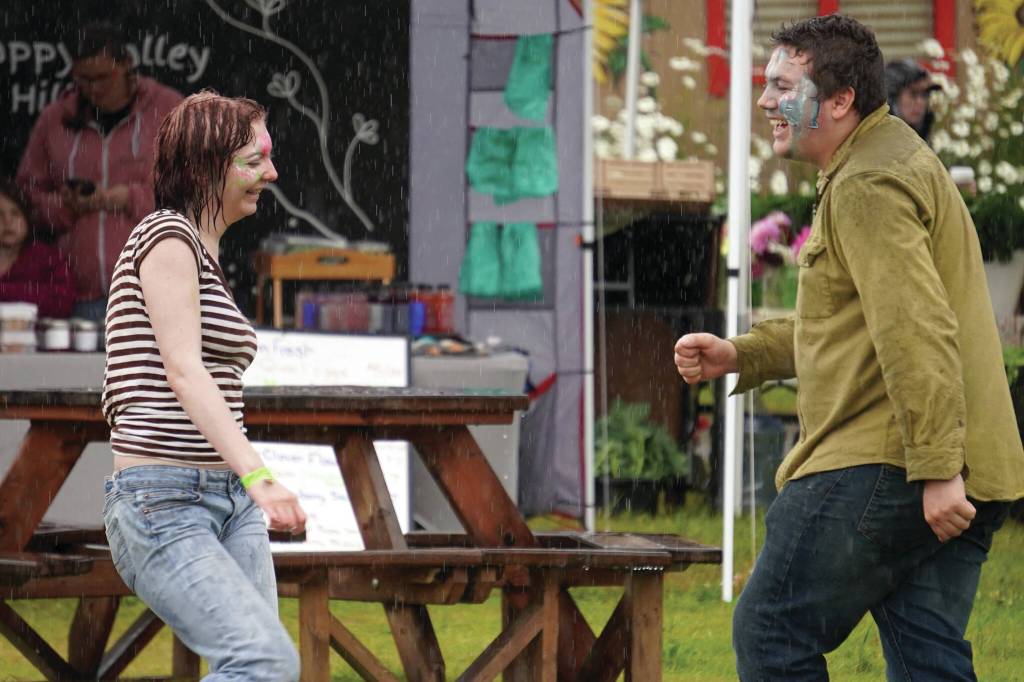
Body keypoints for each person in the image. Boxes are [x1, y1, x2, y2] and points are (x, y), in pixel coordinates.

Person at [674, 15, 1024, 681]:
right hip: (965, 461)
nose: (765, 101)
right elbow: (852, 324)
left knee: (770, 630)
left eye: (783, 86)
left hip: (899, 462)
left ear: (839, 101)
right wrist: (742, 353)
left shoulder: (868, 184)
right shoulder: (887, 159)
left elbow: (917, 330)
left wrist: (937, 469)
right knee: (927, 663)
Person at [101, 91, 304, 681]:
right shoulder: (167, 236)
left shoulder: (205, 253)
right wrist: (260, 477)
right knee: (262, 662)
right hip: (163, 500)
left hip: (230, 502)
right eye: (254, 160)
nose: (272, 172)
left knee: (268, 669)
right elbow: (185, 371)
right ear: (206, 167)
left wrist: (246, 487)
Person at [16, 21, 182, 322]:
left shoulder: (168, 109)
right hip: (74, 295)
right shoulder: (55, 119)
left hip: (154, 294)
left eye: (103, 77)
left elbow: (193, 191)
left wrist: (128, 198)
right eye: (83, 79)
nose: (93, 88)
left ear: (127, 65)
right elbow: (24, 196)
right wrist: (63, 207)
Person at [0, 178, 75, 318]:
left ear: (27, 218)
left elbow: (62, 303)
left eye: (15, 213)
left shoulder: (48, 258)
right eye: (0, 214)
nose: (8, 222)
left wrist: (6, 291)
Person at [885, 57, 941, 143]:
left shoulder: (925, 136)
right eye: (913, 94)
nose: (920, 102)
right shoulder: (879, 140)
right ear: (893, 97)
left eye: (924, 94)